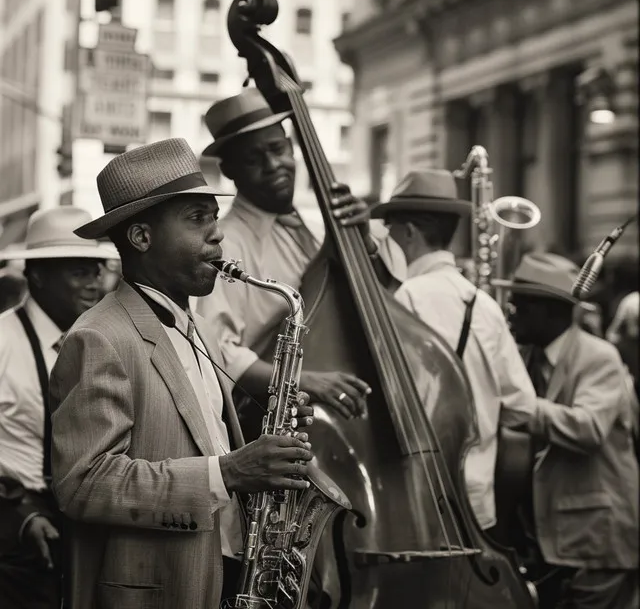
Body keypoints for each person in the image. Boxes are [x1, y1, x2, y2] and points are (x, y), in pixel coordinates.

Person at [49, 138, 316, 609]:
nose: (218, 235)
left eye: (214, 217)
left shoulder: (200, 327)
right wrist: (228, 472)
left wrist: (272, 435)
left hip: (228, 573)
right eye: (197, 219)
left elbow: (199, 436)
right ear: (141, 237)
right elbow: (83, 484)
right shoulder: (98, 337)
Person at [197, 88, 406, 423]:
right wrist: (302, 380)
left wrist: (361, 241)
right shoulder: (226, 243)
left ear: (292, 148)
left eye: (278, 149)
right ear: (230, 171)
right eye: (253, 159)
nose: (273, 165)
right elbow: (219, 351)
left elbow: (383, 298)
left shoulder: (319, 231)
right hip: (274, 417)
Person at [370, 169, 537, 533]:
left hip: (425, 496)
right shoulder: (485, 304)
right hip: (477, 497)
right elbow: (522, 407)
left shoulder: (407, 298)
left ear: (409, 232)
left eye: (391, 230)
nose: (387, 240)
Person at [0, 206, 119, 609]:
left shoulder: (99, 343)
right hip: (15, 531)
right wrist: (18, 517)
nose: (95, 285)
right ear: (37, 275)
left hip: (86, 531)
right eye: (79, 272)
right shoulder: (1, 341)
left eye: (97, 270)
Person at [504, 252, 639, 609]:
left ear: (550, 312)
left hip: (595, 542)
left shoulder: (599, 357)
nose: (509, 314)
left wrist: (520, 407)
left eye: (519, 307)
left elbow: (588, 429)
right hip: (552, 543)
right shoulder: (525, 356)